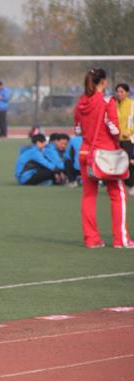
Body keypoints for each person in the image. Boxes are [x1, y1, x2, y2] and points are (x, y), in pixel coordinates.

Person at [74, 68, 132, 249]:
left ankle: (92, 239)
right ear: (103, 82)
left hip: (86, 153)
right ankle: (121, 239)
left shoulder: (81, 102)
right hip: (106, 155)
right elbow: (115, 130)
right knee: (118, 194)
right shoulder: (107, 101)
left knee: (89, 196)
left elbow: (77, 130)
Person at [115, 83, 134, 194]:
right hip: (116, 139)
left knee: (128, 162)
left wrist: (128, 132)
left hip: (128, 139)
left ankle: (131, 184)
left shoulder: (132, 105)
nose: (119, 94)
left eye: (122, 91)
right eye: (117, 91)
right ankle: (122, 185)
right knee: (117, 162)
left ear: (127, 93)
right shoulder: (114, 105)